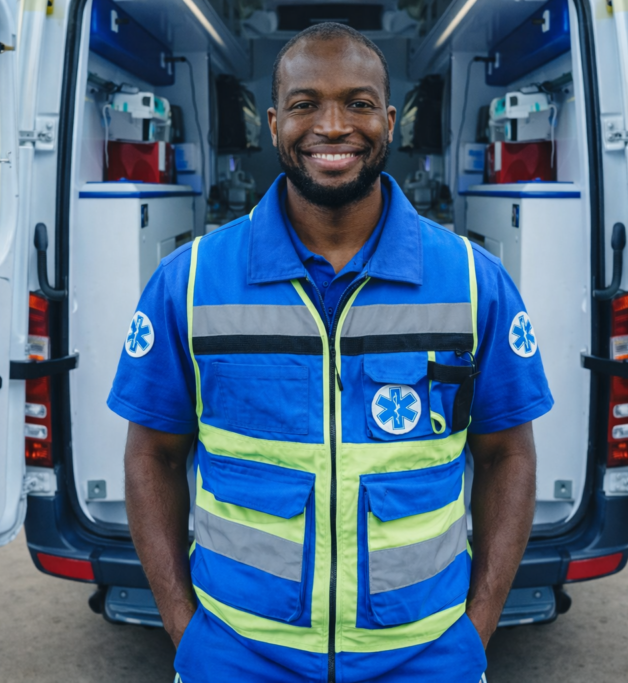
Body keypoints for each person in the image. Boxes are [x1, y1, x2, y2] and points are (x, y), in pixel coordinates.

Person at [108, 22, 553, 683]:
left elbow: (507, 454)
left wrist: (474, 630)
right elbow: (153, 453)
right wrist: (186, 630)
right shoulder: (191, 280)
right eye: (305, 103)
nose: (334, 125)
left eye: (359, 102)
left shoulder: (472, 280)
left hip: (427, 654)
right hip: (237, 653)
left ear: (392, 120)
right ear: (271, 122)